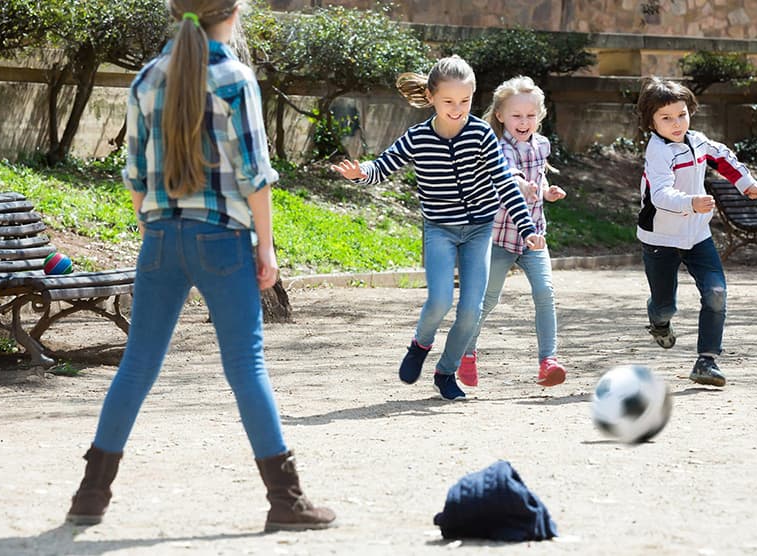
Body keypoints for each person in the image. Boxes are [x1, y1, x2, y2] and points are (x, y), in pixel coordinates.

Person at [65, 0, 335, 532]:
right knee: (245, 365)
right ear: (231, 16)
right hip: (223, 239)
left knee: (138, 364)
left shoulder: (146, 78)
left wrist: (157, 234)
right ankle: (286, 499)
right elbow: (255, 174)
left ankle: (90, 495)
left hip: (162, 236)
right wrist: (267, 247)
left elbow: (136, 176)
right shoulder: (235, 77)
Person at [331, 56, 546, 401]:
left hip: (478, 230)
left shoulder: (481, 135)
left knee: (471, 310)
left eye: (465, 101)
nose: (458, 109)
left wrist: (527, 228)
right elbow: (383, 165)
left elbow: (505, 184)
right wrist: (362, 173)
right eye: (449, 101)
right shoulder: (417, 137)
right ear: (431, 97)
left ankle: (446, 372)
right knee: (440, 300)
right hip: (440, 230)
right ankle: (420, 344)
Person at [635, 77, 757, 387]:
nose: (676, 123)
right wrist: (691, 202)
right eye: (666, 118)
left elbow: (723, 157)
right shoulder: (658, 152)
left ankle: (707, 361)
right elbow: (660, 195)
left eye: (681, 114)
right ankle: (659, 320)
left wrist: (746, 183)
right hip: (660, 238)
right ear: (650, 122)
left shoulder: (697, 141)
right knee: (666, 305)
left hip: (697, 235)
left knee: (717, 293)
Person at [460, 76, 568, 388]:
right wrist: (520, 185)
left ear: (540, 116)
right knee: (488, 299)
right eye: (517, 116)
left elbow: (537, 177)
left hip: (533, 237)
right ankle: (466, 353)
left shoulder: (541, 145)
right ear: (500, 115)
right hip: (499, 238)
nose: (524, 122)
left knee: (545, 293)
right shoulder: (494, 146)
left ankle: (548, 361)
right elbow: (509, 172)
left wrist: (546, 192)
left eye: (530, 116)